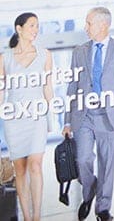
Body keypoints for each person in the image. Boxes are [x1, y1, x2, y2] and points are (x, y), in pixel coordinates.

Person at [62, 7, 114, 221]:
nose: (85, 27)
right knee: (82, 159)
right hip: (84, 115)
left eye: (89, 23)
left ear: (103, 25)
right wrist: (67, 121)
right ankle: (89, 191)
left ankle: (103, 208)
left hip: (109, 115)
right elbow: (72, 87)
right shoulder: (79, 51)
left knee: (107, 164)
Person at [0, 13, 53, 221]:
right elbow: (1, 92)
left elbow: (48, 88)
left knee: (35, 165)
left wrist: (51, 117)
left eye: (37, 26)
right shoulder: (5, 58)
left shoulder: (45, 55)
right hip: (14, 119)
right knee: (20, 170)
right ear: (19, 28)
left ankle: (37, 216)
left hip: (37, 116)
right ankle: (27, 217)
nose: (35, 30)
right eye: (31, 25)